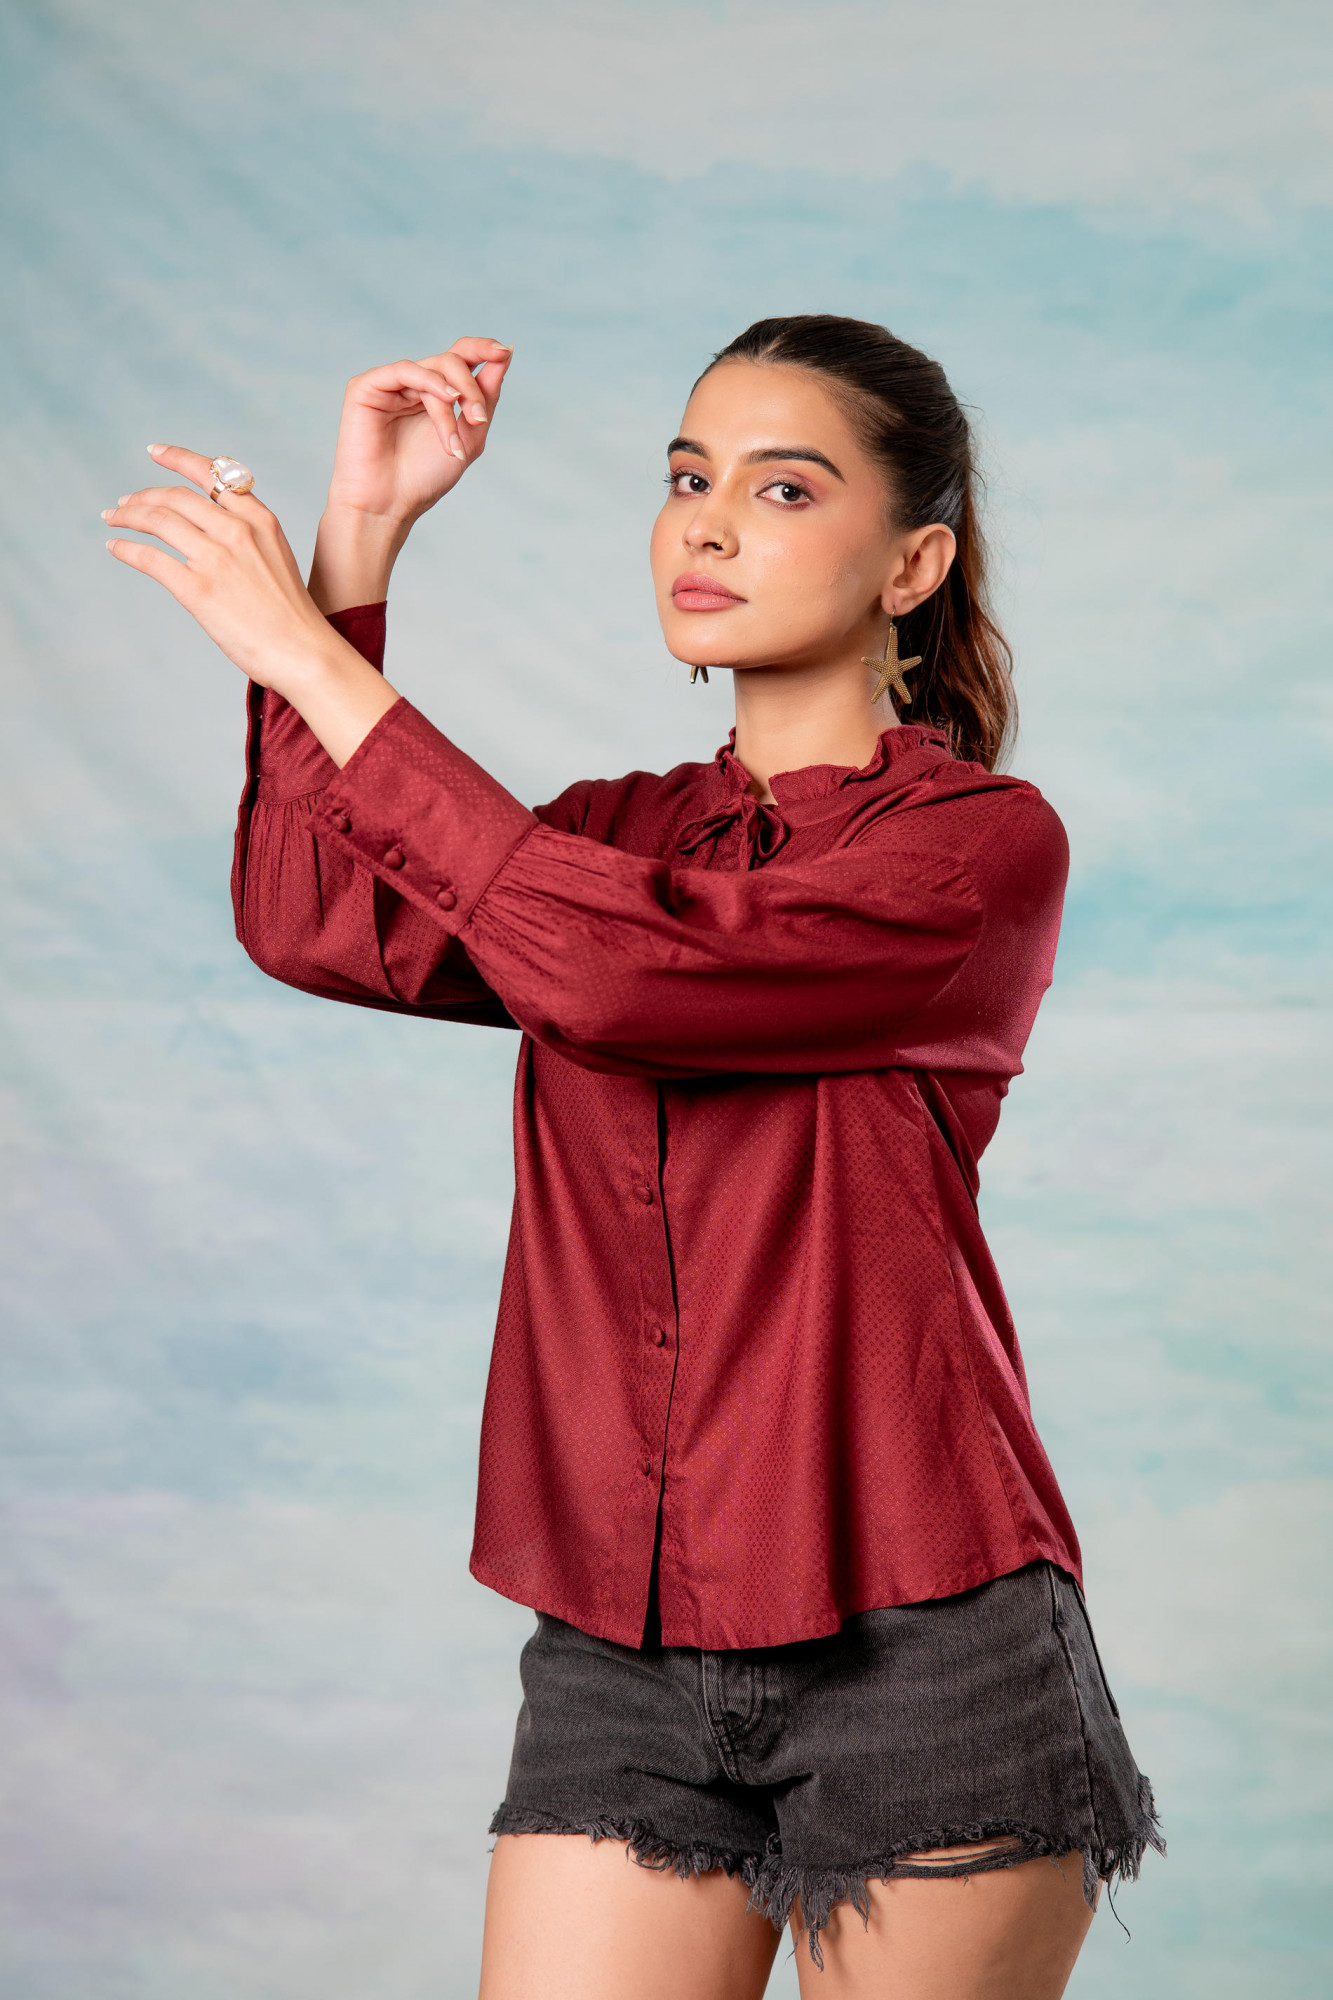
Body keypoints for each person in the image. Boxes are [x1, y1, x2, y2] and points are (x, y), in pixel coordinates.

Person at [105, 314, 1162, 1999]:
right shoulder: (608, 833)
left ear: (913, 566)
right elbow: (318, 916)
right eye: (685, 480)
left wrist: (305, 653)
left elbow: (620, 973)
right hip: (621, 1642)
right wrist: (358, 543)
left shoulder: (972, 850)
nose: (708, 526)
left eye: (782, 489)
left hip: (923, 1635)